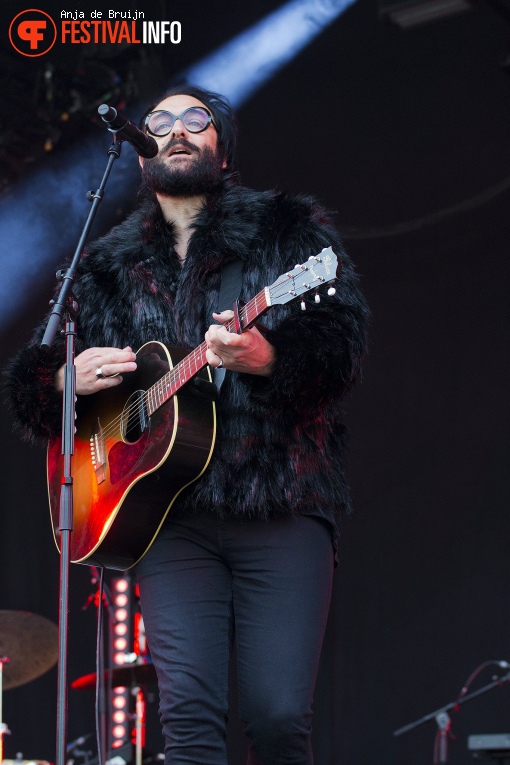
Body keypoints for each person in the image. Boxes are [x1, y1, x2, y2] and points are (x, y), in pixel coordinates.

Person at [5, 84, 369, 765]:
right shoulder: (104, 265)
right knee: (188, 723)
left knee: (279, 715)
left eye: (194, 119)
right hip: (166, 518)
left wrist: (269, 356)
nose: (175, 130)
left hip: (281, 500)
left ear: (222, 150)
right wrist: (60, 378)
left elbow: (340, 349)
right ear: (141, 156)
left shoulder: (288, 235)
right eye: (159, 122)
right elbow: (35, 381)